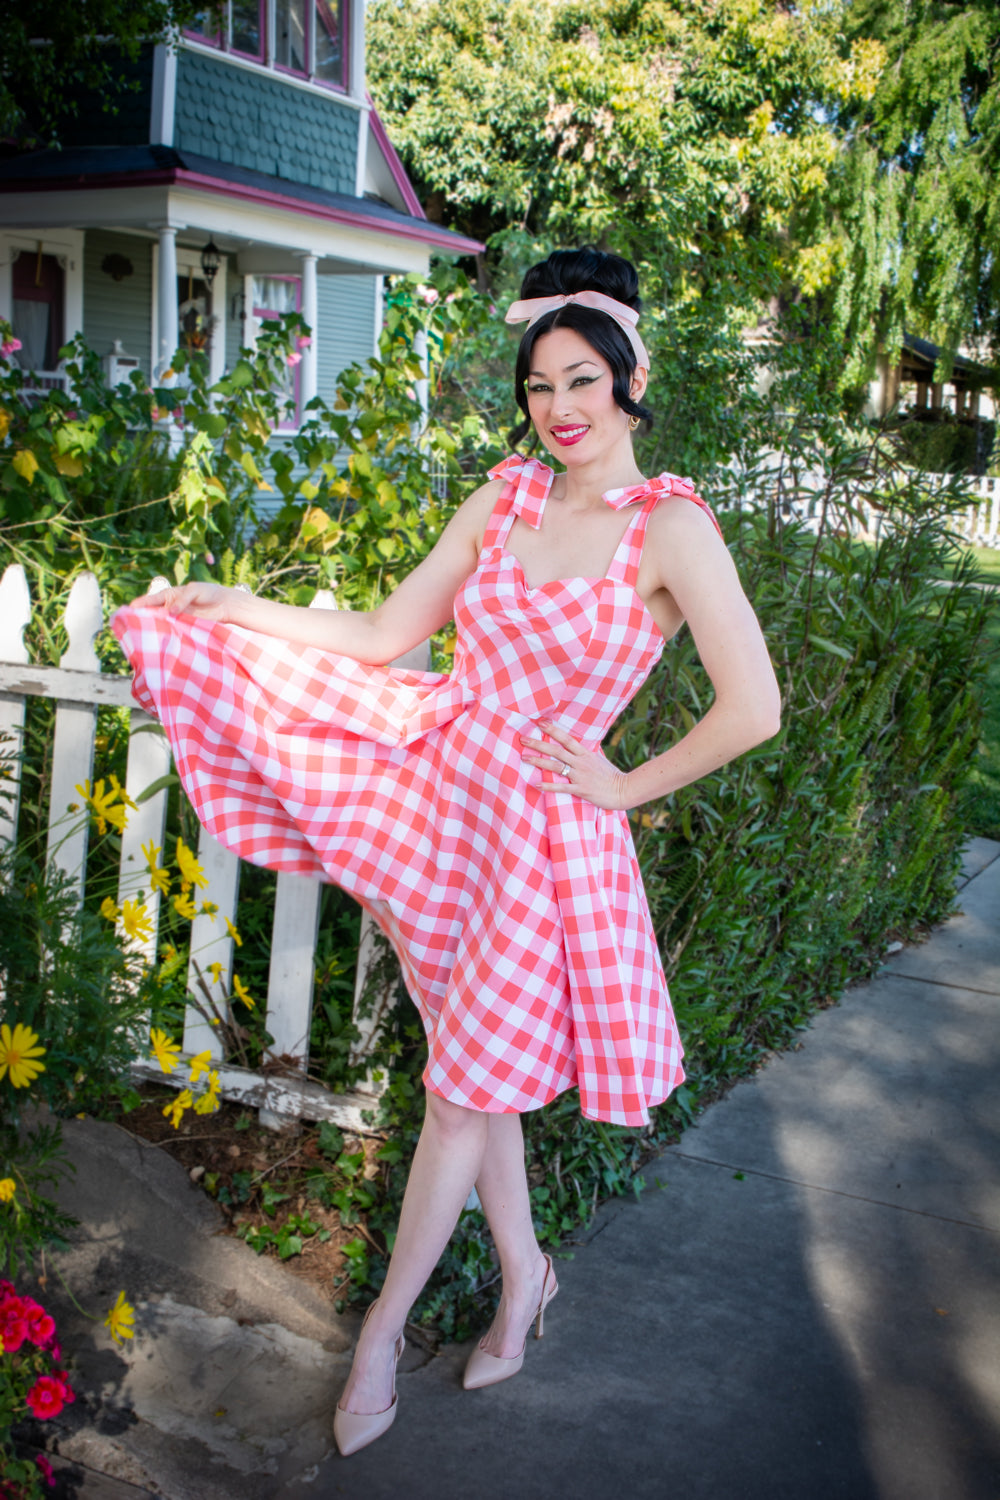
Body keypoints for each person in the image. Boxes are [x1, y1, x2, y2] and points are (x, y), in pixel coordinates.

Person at [113, 246, 780, 1457]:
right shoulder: (506, 500)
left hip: (538, 843)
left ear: (630, 380)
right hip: (439, 806)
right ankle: (524, 1279)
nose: (561, 409)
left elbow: (754, 707)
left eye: (583, 380)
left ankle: (380, 1336)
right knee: (482, 1087)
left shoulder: (668, 527)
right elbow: (379, 634)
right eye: (539, 386)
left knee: (464, 1092)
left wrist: (623, 783)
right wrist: (232, 605)